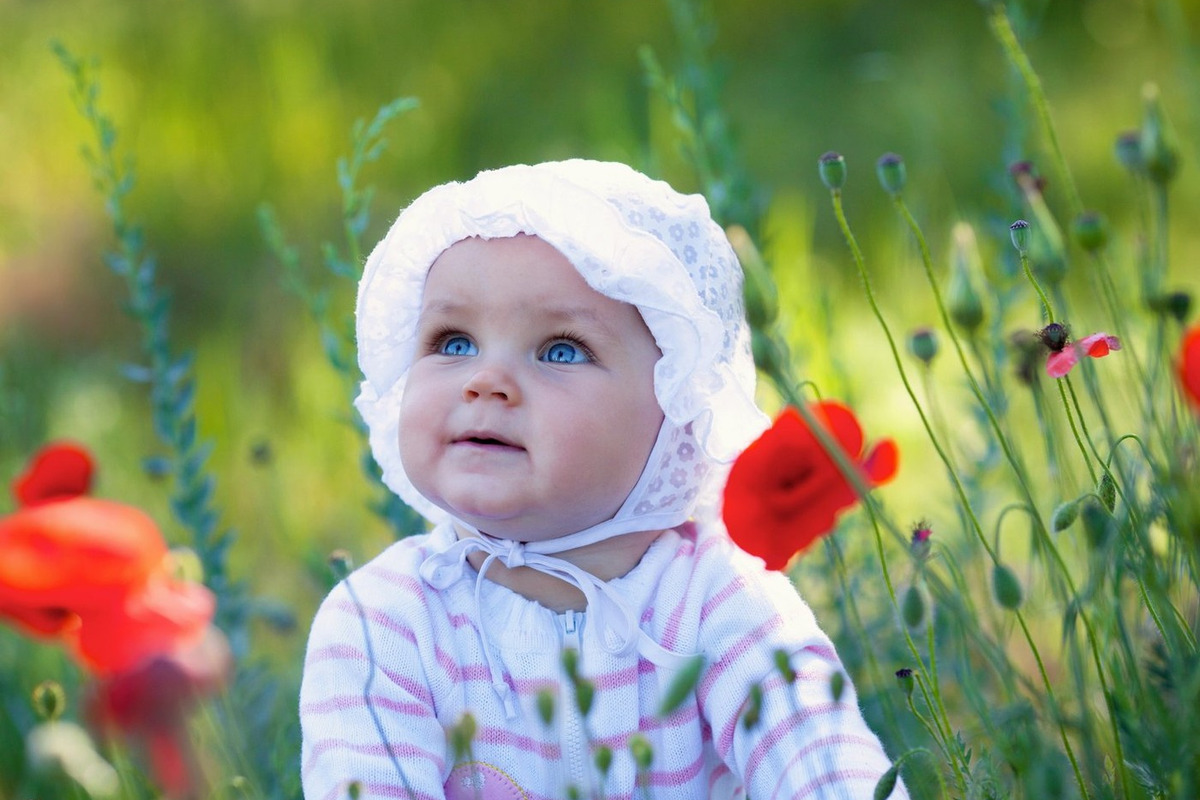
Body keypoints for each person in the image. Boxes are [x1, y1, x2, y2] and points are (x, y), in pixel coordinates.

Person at [300, 159, 909, 800]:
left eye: (560, 350)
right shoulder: (382, 623)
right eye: (453, 341)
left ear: (676, 402)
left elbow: (825, 766)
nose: (485, 380)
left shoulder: (718, 602)